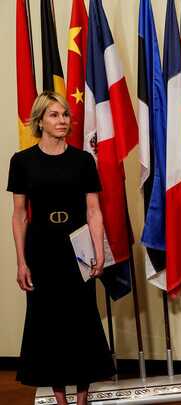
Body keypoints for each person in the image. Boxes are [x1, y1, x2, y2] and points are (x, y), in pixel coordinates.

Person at [8, 92, 115, 405]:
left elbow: (94, 210)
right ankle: (60, 399)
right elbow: (19, 215)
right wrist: (21, 261)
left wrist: (99, 251)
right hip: (41, 247)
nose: (62, 120)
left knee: (81, 321)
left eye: (65, 114)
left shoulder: (83, 160)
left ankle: (81, 399)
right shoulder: (22, 161)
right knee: (47, 323)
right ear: (40, 121)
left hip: (77, 246)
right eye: (54, 115)